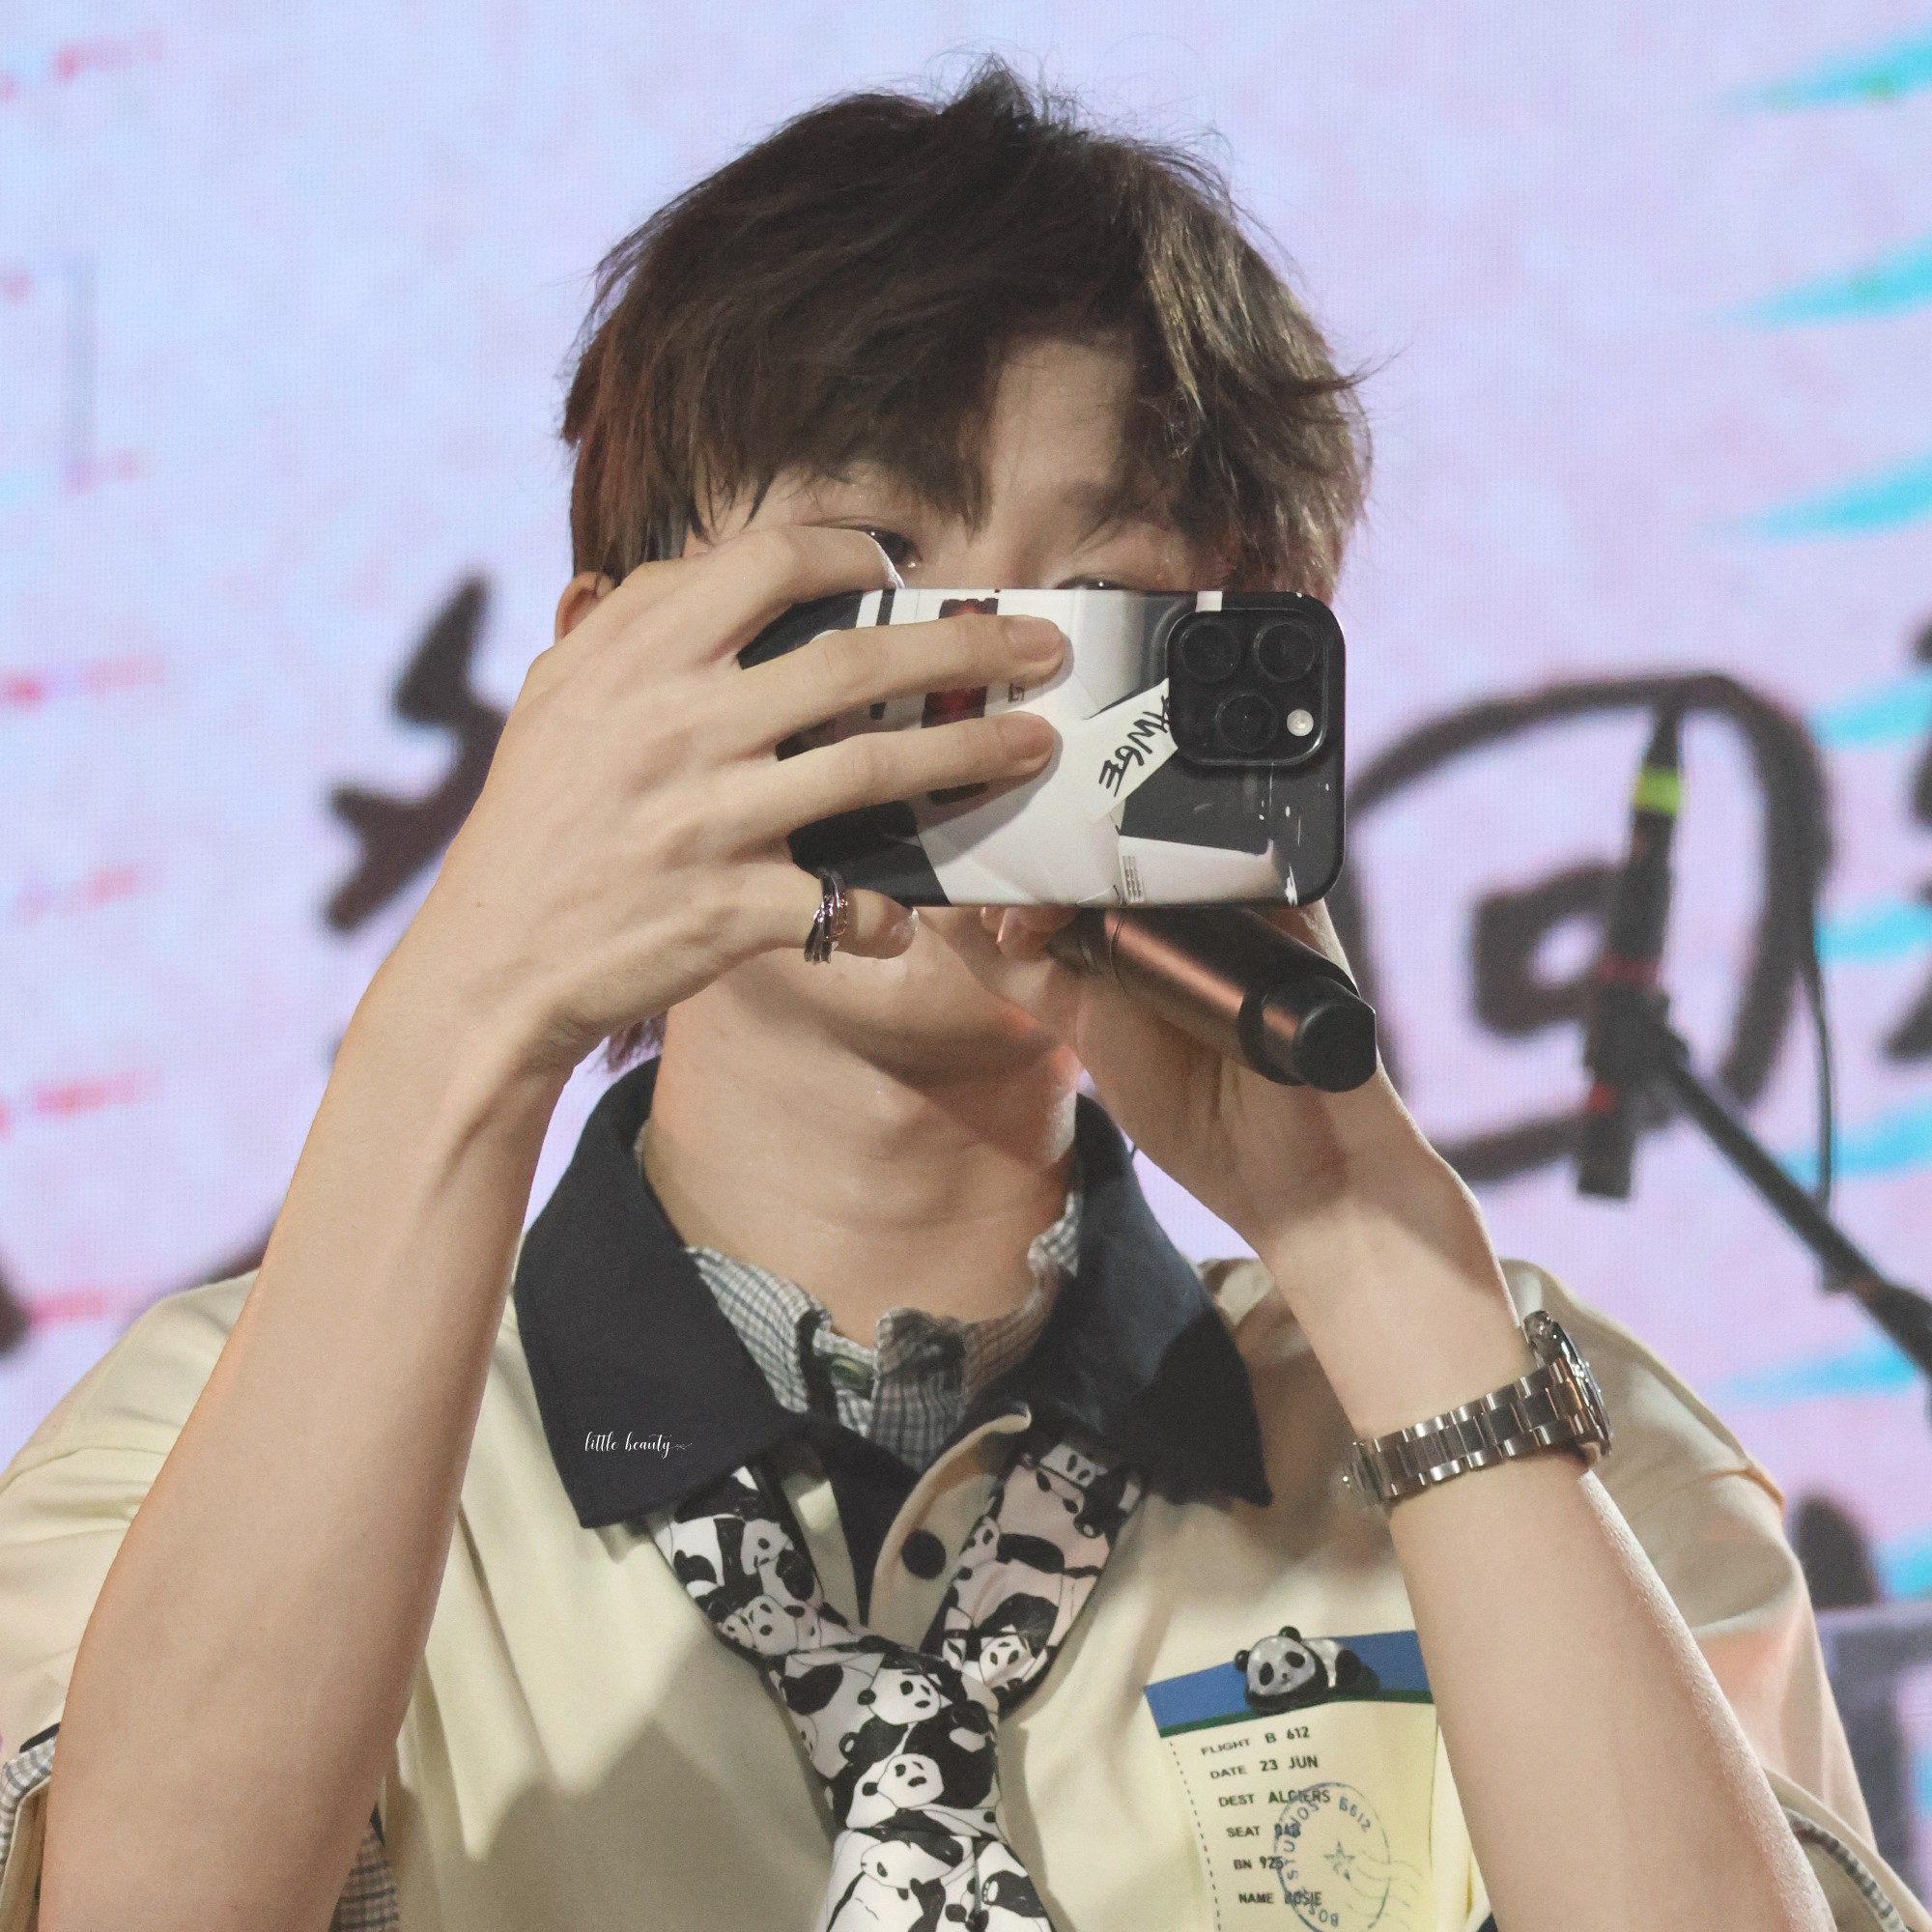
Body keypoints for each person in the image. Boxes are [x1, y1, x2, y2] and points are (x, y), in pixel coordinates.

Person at [0, 65, 1918, 1932]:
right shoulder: (210, 1436)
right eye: (877, 571)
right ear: (601, 668)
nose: (983, 689)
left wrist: (1374, 1251)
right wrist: (467, 1021)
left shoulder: (1534, 1433)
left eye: (1098, 604)